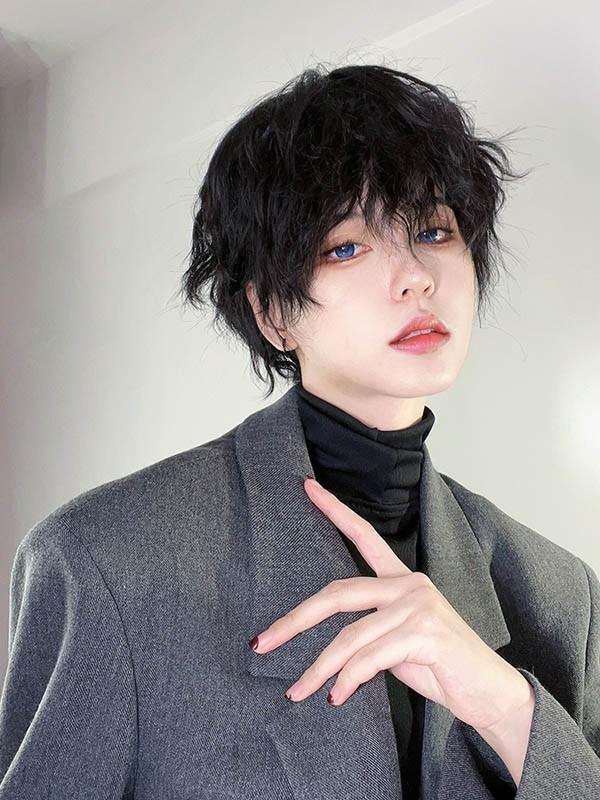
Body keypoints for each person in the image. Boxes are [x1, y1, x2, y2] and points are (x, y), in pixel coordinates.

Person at [1, 62, 599, 800]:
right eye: (346, 246)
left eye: (433, 230)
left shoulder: (559, 595)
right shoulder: (107, 561)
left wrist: (507, 706)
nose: (416, 276)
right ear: (272, 313)